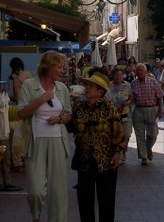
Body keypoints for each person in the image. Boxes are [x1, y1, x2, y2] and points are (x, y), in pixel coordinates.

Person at [18, 51, 73, 222]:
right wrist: (41, 99)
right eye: (59, 67)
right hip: (35, 142)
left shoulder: (62, 88)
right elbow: (21, 113)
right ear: (47, 67)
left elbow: (68, 114)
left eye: (63, 67)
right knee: (36, 190)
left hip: (58, 141)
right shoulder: (29, 85)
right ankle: (36, 215)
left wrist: (59, 119)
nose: (62, 70)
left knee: (58, 190)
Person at [73, 71, 125, 222]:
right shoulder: (79, 107)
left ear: (100, 91)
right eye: (86, 85)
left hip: (106, 160)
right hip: (85, 160)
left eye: (91, 86)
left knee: (107, 202)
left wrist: (117, 153)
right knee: (84, 201)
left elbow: (118, 132)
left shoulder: (108, 107)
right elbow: (73, 127)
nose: (86, 88)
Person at [131, 63, 164, 165]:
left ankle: (148, 149)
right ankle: (144, 157)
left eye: (141, 70)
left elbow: (160, 96)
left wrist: (161, 108)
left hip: (151, 109)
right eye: (137, 70)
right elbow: (130, 97)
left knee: (153, 134)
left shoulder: (153, 82)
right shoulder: (133, 83)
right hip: (138, 110)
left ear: (146, 71)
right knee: (139, 136)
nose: (139, 72)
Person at [9, 57, 32, 172]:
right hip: (32, 109)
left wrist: (7, 97)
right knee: (28, 136)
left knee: (17, 137)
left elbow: (18, 99)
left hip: (22, 111)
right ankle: (27, 159)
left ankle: (18, 162)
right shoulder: (29, 74)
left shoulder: (17, 81)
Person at [108, 67, 134, 161]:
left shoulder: (128, 85)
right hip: (112, 115)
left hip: (125, 114)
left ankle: (122, 150)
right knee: (114, 134)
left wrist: (128, 102)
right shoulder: (108, 85)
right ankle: (116, 154)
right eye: (116, 75)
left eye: (120, 75)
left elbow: (133, 97)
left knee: (126, 134)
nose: (118, 77)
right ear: (113, 76)